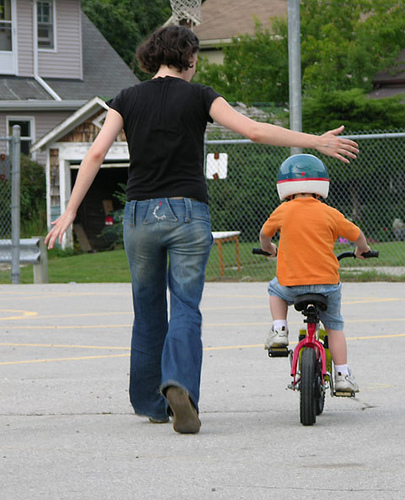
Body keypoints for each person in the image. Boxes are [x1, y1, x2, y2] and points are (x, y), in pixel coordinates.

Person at [45, 25, 359, 434]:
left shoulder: (125, 98)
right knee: (186, 307)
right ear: (189, 58)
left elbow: (97, 153)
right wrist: (314, 141)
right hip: (188, 214)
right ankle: (180, 386)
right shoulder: (200, 95)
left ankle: (152, 404)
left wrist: (70, 210)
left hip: (140, 214)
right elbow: (254, 130)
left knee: (147, 310)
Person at [259, 153, 370, 393]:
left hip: (291, 285)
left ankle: (279, 329)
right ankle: (342, 375)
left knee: (274, 288)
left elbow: (264, 234)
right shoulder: (330, 212)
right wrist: (362, 249)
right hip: (326, 286)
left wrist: (269, 249)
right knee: (334, 326)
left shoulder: (283, 210)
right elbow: (357, 234)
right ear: (321, 185)